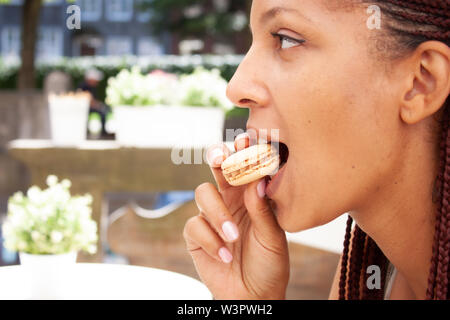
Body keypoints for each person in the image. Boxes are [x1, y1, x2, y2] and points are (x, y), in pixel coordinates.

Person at [183, 0, 450, 300]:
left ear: (420, 82)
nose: (236, 87)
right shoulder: (368, 274)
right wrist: (250, 300)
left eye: (286, 39)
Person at [78, 68, 110, 137]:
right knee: (103, 111)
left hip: (90, 107)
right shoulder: (84, 86)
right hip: (84, 108)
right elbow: (88, 100)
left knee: (103, 110)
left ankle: (103, 132)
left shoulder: (92, 87)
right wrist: (98, 105)